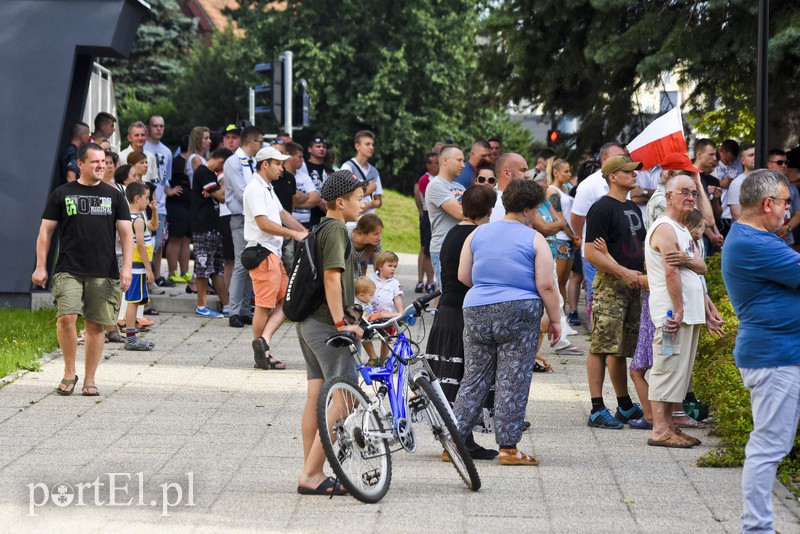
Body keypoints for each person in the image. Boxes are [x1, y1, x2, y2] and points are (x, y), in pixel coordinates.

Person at [452, 178, 561, 465]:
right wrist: (556, 320)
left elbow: (464, 276)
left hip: (476, 309)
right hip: (519, 311)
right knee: (513, 378)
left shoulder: (477, 235)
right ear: (527, 210)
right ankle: (509, 449)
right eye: (537, 209)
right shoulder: (534, 238)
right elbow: (546, 285)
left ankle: (454, 440)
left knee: (474, 378)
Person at [719, 170, 800, 532]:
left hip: (781, 354)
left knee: (770, 444)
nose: (788, 210)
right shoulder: (756, 243)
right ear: (768, 204)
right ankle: (757, 528)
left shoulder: (755, 236)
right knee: (768, 447)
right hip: (775, 357)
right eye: (786, 203)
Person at [32, 143, 133, 396]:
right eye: (95, 162)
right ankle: (68, 371)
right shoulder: (62, 193)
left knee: (95, 326)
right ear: (80, 164)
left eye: (104, 161)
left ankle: (90, 378)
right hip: (68, 268)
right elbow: (45, 231)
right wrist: (40, 266)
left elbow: (126, 233)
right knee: (66, 318)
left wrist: (128, 268)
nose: (101, 166)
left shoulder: (115, 196)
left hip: (103, 269)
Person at [296, 170, 366, 496]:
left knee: (316, 397)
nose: (363, 203)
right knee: (347, 397)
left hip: (308, 323)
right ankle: (311, 474)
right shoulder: (337, 228)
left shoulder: (321, 227)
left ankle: (313, 469)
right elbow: (331, 279)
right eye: (359, 197)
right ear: (341, 201)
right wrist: (341, 323)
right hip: (327, 325)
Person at [424, 185, 498, 459]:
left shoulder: (453, 233)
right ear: (490, 211)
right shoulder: (479, 236)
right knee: (468, 377)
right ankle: (460, 440)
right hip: (465, 312)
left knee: (453, 378)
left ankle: (462, 439)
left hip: (447, 310)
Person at [645, 174, 714, 447]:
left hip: (686, 314)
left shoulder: (683, 228)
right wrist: (679, 309)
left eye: (694, 193)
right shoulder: (665, 228)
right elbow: (671, 273)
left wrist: (690, 261)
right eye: (684, 192)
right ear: (669, 197)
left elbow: (701, 267)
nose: (690, 197)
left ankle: (671, 425)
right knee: (666, 367)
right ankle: (660, 429)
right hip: (673, 315)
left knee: (680, 372)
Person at [583, 155, 646, 429]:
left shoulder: (632, 206)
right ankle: (597, 408)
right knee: (601, 345)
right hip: (611, 286)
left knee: (619, 347)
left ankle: (624, 404)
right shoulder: (601, 208)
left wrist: (641, 270)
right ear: (612, 176)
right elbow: (590, 253)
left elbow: (637, 244)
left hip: (633, 284)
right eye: (628, 171)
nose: (634, 175)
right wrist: (622, 271)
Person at [244, 146, 308, 370]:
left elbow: (282, 215)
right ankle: (262, 353)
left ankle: (264, 343)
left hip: (272, 253)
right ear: (265, 165)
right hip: (262, 253)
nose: (282, 168)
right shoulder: (254, 188)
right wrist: (294, 234)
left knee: (285, 301)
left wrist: (305, 232)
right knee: (264, 305)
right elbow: (263, 224)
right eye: (278, 164)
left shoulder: (268, 188)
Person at [570, 142, 626, 331]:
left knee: (618, 297)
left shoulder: (623, 181)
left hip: (619, 250)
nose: (622, 160)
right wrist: (581, 239)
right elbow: (576, 217)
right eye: (617, 156)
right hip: (595, 252)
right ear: (604, 159)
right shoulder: (590, 185)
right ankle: (596, 335)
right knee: (597, 296)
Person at [224, 126, 265, 328]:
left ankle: (245, 310)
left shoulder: (253, 162)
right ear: (251, 142)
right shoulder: (233, 162)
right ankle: (234, 311)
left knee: (252, 263)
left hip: (254, 217)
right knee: (241, 263)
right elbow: (242, 193)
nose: (262, 145)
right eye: (260, 142)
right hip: (241, 216)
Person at [191, 147, 233, 318]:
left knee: (217, 269)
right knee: (202, 267)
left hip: (213, 226)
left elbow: (218, 195)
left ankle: (227, 306)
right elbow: (222, 196)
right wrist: (225, 183)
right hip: (203, 227)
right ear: (222, 162)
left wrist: (216, 191)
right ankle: (202, 305)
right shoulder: (203, 172)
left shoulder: (212, 176)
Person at [122, 182, 157, 351]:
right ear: (137, 198)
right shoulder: (138, 221)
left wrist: (154, 211)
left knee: (134, 301)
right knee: (133, 301)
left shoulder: (130, 217)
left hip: (134, 265)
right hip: (138, 267)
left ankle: (132, 336)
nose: (148, 201)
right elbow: (141, 246)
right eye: (146, 198)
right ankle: (131, 337)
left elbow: (154, 226)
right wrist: (149, 269)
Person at [426, 145, 466, 292]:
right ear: (445, 160)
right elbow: (461, 213)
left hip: (462, 248)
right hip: (443, 248)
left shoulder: (460, 186)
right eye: (459, 160)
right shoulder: (436, 185)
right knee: (450, 297)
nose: (463, 165)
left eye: (464, 160)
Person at [144, 114, 174, 288]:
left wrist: (168, 191)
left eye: (161, 126)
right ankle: (147, 277)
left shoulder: (167, 151)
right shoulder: (143, 148)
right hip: (143, 203)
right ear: (148, 128)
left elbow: (165, 179)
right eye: (155, 126)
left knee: (158, 242)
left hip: (160, 204)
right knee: (146, 242)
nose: (159, 129)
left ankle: (155, 276)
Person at [367, 251, 404, 362]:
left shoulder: (394, 283)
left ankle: (382, 360)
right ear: (380, 266)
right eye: (390, 266)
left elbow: (397, 298)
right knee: (365, 336)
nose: (393, 269)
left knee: (386, 339)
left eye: (395, 266)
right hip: (372, 314)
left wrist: (401, 312)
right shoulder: (371, 280)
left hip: (387, 315)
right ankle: (373, 357)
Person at [166, 135, 193, 284]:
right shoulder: (176, 162)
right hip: (177, 206)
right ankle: (171, 272)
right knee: (175, 238)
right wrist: (169, 190)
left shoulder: (193, 162)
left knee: (186, 240)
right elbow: (164, 178)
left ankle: (185, 272)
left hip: (190, 206)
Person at [341, 130, 383, 217]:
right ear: (357, 146)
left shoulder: (374, 171)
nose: (371, 147)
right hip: (351, 222)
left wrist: (369, 205)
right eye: (367, 144)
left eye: (372, 144)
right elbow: (343, 196)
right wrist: (367, 191)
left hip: (368, 221)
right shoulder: (347, 167)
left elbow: (379, 201)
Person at [414, 152, 437, 293]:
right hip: (428, 216)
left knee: (429, 248)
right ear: (428, 166)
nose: (439, 166)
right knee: (426, 249)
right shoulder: (425, 180)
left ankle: (429, 280)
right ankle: (427, 281)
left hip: (431, 216)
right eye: (436, 163)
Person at [726, 143, 756, 222]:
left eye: (756, 154)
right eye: (751, 155)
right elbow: (736, 215)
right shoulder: (737, 183)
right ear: (742, 160)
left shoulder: (766, 180)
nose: (754, 157)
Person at [349, 213, 383, 279]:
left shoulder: (375, 243)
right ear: (364, 232)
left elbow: (378, 269)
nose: (379, 238)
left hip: (356, 273)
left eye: (380, 233)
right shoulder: (345, 236)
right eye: (376, 234)